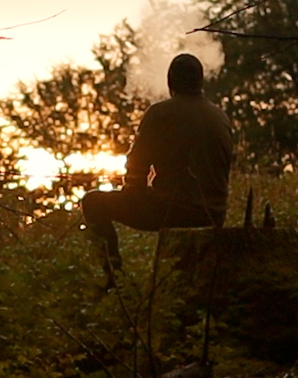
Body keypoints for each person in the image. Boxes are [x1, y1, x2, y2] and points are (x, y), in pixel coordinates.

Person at [80, 52, 234, 286]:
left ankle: (114, 281)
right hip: (213, 214)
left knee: (93, 202)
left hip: (174, 210)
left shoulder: (160, 113)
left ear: (171, 82)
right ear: (201, 81)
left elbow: (137, 162)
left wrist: (133, 190)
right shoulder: (220, 116)